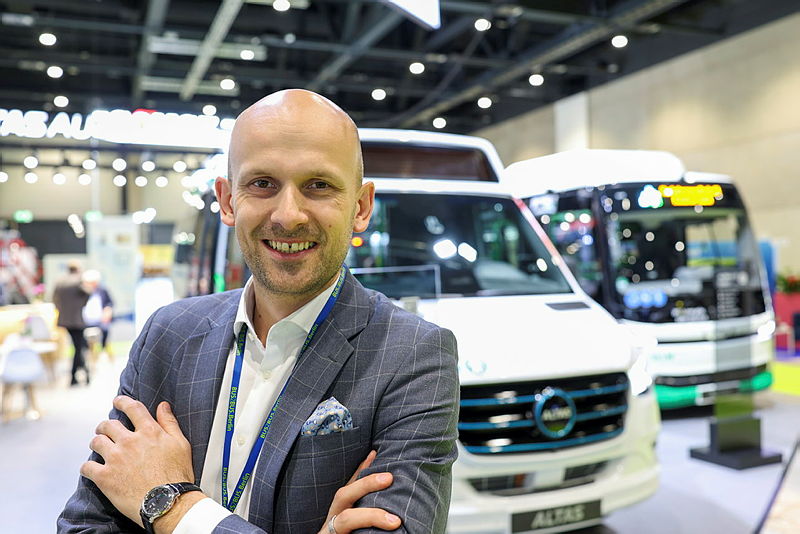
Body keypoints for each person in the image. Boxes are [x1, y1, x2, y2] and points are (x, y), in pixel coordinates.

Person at [58, 89, 459, 534]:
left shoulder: (414, 353)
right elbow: (83, 526)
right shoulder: (168, 335)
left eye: (319, 185)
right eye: (263, 184)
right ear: (229, 201)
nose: (288, 216)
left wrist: (174, 509)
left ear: (361, 207)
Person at [52, 260, 90, 386]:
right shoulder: (78, 281)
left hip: (65, 320)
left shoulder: (60, 281)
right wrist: (81, 304)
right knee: (79, 348)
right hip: (77, 320)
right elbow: (87, 294)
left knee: (78, 347)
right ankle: (76, 375)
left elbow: (54, 299)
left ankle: (82, 372)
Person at [80, 269, 114, 357]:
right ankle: (87, 351)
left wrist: (107, 311)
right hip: (85, 321)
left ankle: (103, 349)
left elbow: (109, 304)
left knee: (105, 330)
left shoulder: (102, 291)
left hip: (100, 320)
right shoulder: (81, 292)